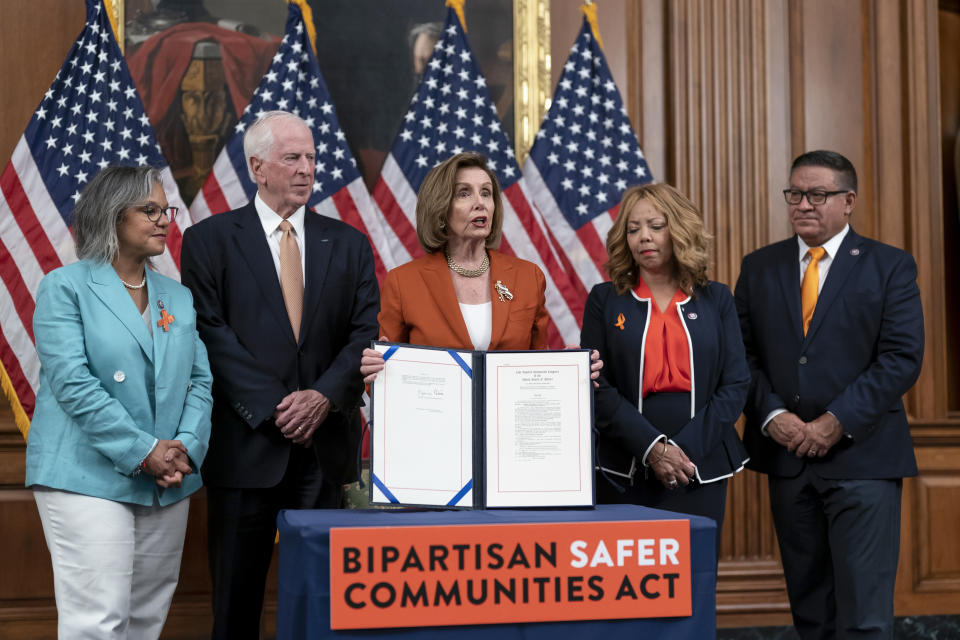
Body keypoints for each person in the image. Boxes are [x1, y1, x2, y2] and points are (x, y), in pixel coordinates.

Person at [179, 111, 379, 639]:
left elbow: (363, 334)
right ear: (257, 167)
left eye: (312, 157)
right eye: (293, 157)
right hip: (246, 449)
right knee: (236, 608)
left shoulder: (350, 243)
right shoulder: (208, 240)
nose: (307, 168)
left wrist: (320, 397)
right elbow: (209, 334)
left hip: (324, 449)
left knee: (322, 607)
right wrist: (276, 407)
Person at [735, 150, 924, 639]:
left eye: (817, 194)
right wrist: (771, 413)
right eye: (795, 194)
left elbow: (901, 358)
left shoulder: (889, 266)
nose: (803, 204)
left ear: (848, 201)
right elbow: (741, 358)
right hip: (787, 460)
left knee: (864, 618)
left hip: (863, 460)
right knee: (811, 614)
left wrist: (835, 420)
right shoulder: (759, 268)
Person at [26, 165, 212, 639]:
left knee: (146, 621)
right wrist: (145, 451)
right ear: (111, 215)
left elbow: (199, 381)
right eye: (148, 210)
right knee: (99, 621)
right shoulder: (63, 288)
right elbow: (73, 385)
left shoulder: (178, 297)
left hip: (167, 479)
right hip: (85, 474)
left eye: (165, 209)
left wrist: (184, 449)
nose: (164, 220)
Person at [580, 183, 749, 542]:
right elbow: (594, 385)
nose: (644, 237)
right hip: (624, 465)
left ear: (680, 229)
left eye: (656, 226)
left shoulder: (716, 298)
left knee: (692, 582)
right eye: (633, 228)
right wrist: (652, 448)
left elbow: (735, 384)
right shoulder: (604, 299)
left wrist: (680, 453)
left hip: (696, 466)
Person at [360, 152, 600, 381]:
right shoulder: (404, 282)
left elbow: (536, 365)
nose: (480, 203)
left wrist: (571, 368)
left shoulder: (528, 277)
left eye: (486, 193)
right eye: (464, 194)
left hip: (509, 421)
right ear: (441, 210)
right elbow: (384, 378)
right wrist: (375, 370)